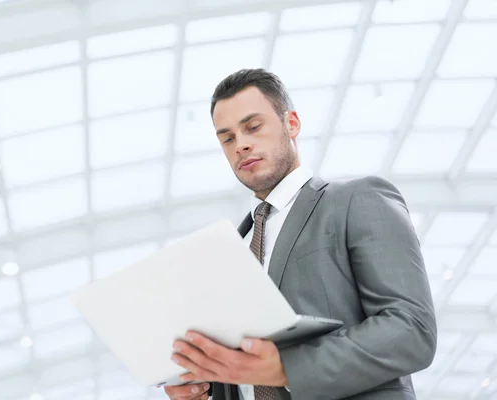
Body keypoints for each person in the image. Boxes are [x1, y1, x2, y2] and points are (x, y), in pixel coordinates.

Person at [163, 68, 437, 400]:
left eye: (253, 127)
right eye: (228, 138)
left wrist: (284, 369)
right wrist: (203, 386)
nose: (242, 145)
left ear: (291, 124)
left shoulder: (357, 200)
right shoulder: (232, 249)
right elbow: (241, 373)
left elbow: (411, 330)